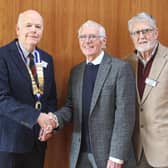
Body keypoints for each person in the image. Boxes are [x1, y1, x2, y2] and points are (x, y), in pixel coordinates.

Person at [46, 20, 136, 168]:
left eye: (92, 36)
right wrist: (55, 119)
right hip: (80, 154)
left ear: (104, 41)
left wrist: (117, 155)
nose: (87, 41)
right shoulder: (76, 72)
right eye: (83, 37)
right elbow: (71, 107)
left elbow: (125, 116)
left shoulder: (120, 69)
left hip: (109, 155)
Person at [0, 9, 57, 168]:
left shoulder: (46, 59)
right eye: (29, 25)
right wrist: (36, 117)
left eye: (38, 27)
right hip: (10, 144)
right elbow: (2, 99)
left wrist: (49, 125)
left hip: (38, 142)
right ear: (18, 29)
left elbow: (50, 98)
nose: (34, 30)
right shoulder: (2, 56)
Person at [127, 12, 168, 168]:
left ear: (156, 33)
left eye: (146, 31)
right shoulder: (126, 64)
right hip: (136, 150)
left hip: (164, 151)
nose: (141, 36)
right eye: (136, 32)